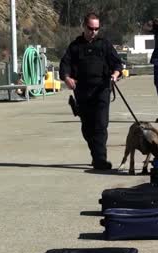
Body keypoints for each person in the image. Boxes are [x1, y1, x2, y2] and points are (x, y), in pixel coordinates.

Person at [59, 12, 122, 170]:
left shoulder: (104, 44)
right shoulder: (75, 46)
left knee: (100, 125)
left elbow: (117, 64)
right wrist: (67, 78)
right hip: (82, 91)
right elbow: (64, 65)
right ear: (84, 27)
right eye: (90, 28)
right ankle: (96, 155)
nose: (93, 31)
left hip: (102, 88)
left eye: (96, 29)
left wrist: (115, 75)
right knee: (87, 127)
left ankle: (101, 159)